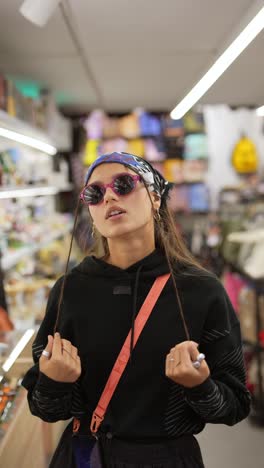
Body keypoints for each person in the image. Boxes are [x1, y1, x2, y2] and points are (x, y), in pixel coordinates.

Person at [22, 152, 251, 467]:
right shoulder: (71, 290)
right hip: (88, 456)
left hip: (168, 458)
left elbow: (235, 406)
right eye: (95, 193)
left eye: (123, 184)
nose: (110, 196)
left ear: (155, 197)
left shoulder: (201, 291)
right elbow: (45, 408)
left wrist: (200, 387)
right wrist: (53, 382)